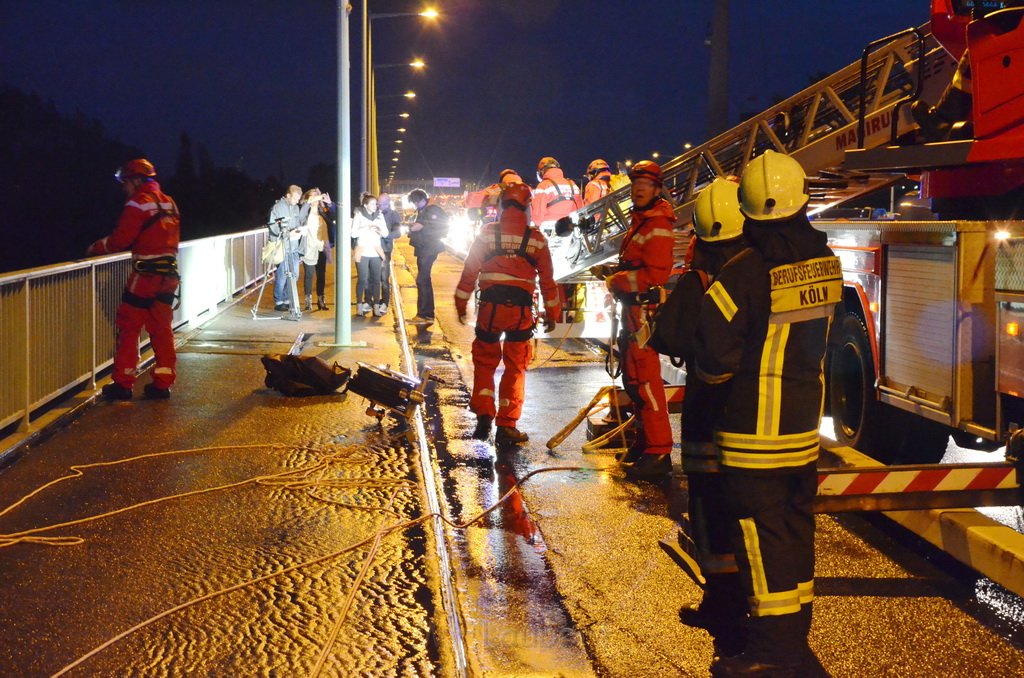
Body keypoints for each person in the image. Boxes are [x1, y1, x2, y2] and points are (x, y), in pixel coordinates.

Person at [694, 150, 842, 676]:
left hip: (752, 434)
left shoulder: (744, 273)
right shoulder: (826, 262)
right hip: (802, 431)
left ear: (748, 212)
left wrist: (714, 391)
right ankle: (793, 643)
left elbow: (712, 356)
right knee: (795, 533)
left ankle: (773, 655)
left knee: (760, 539)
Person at [669, 178, 749, 653]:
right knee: (745, 515)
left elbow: (676, 336)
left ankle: (724, 611)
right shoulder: (762, 266)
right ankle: (738, 608)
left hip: (709, 411)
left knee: (710, 510)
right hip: (757, 418)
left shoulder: (706, 272)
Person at [454, 183, 561, 446]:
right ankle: (507, 426)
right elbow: (548, 280)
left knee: (484, 362)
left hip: (490, 310)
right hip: (520, 312)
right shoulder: (535, 238)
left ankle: (483, 414)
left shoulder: (487, 234)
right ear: (526, 207)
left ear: (501, 205)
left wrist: (461, 303)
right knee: (515, 367)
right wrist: (553, 312)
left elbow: (470, 272)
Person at [597, 160, 676, 481]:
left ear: (656, 190)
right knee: (632, 379)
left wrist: (615, 281)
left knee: (646, 381)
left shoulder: (656, 222)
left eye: (644, 185)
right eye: (634, 185)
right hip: (632, 313)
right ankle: (645, 444)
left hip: (643, 314)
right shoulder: (642, 221)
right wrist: (615, 275)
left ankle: (659, 451)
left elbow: (654, 275)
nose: (638, 190)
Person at [87, 158, 180, 400]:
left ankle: (124, 383)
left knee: (129, 326)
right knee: (161, 329)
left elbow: (120, 240)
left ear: (137, 181)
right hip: (169, 276)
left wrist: (96, 247)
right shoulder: (169, 203)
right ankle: (162, 383)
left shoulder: (138, 204)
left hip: (145, 275)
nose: (124, 189)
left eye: (125, 183)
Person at [407, 188, 450, 326]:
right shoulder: (424, 210)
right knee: (424, 281)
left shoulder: (432, 210)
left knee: (422, 280)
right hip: (423, 249)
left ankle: (424, 314)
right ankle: (426, 314)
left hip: (429, 249)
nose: (414, 205)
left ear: (421, 200)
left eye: (415, 202)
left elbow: (441, 227)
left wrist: (421, 228)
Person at [268, 185, 310, 311]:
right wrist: (287, 234)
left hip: (294, 246)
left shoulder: (296, 208)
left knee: (294, 275)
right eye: (296, 198)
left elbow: (297, 223)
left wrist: (299, 230)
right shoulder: (277, 207)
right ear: (288, 195)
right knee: (282, 275)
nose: (297, 201)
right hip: (282, 246)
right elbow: (273, 226)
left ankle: (286, 298)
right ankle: (279, 301)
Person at [351, 192, 388, 316]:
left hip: (375, 251)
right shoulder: (359, 215)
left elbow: (386, 233)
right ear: (365, 205)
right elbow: (353, 233)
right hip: (362, 251)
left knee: (376, 280)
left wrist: (379, 229)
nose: (375, 206)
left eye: (376, 204)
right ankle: (359, 306)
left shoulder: (380, 215)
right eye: (372, 204)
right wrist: (366, 228)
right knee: (362, 279)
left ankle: (376, 307)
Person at [531, 156, 583, 240]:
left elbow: (538, 215)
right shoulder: (572, 184)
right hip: (570, 230)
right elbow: (580, 208)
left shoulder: (543, 185)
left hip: (549, 231)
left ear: (542, 171)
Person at [298, 188, 330, 311]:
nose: (316, 198)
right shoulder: (305, 211)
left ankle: (321, 300)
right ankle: (308, 300)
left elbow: (333, 217)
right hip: (308, 247)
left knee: (321, 274)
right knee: (309, 274)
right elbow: (300, 217)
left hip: (321, 246)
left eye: (317, 196)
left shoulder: (322, 211)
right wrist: (315, 198)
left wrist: (329, 204)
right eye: (313, 196)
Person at [377, 192, 403, 315]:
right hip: (372, 249)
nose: (380, 206)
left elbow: (398, 232)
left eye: (382, 204)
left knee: (383, 278)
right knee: (372, 278)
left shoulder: (394, 215)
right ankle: (374, 301)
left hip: (385, 250)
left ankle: (384, 303)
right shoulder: (375, 212)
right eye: (378, 203)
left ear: (388, 204)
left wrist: (386, 236)